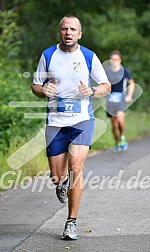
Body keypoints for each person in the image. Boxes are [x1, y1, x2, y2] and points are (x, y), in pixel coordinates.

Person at [31, 15, 111, 240]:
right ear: (60, 32)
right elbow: (35, 85)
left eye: (73, 29)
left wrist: (93, 92)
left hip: (82, 120)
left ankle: (71, 223)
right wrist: (43, 91)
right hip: (55, 123)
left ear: (79, 34)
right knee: (57, 176)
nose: (68, 33)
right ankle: (62, 182)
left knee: (76, 167)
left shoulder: (88, 56)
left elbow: (106, 85)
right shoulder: (48, 55)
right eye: (65, 29)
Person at [105, 50, 135, 152]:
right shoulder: (107, 72)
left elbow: (132, 83)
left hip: (121, 99)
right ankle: (117, 144)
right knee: (114, 124)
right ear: (110, 60)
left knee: (120, 120)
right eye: (112, 59)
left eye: (116, 59)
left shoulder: (124, 71)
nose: (114, 61)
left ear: (120, 60)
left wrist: (129, 95)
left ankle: (122, 137)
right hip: (110, 100)